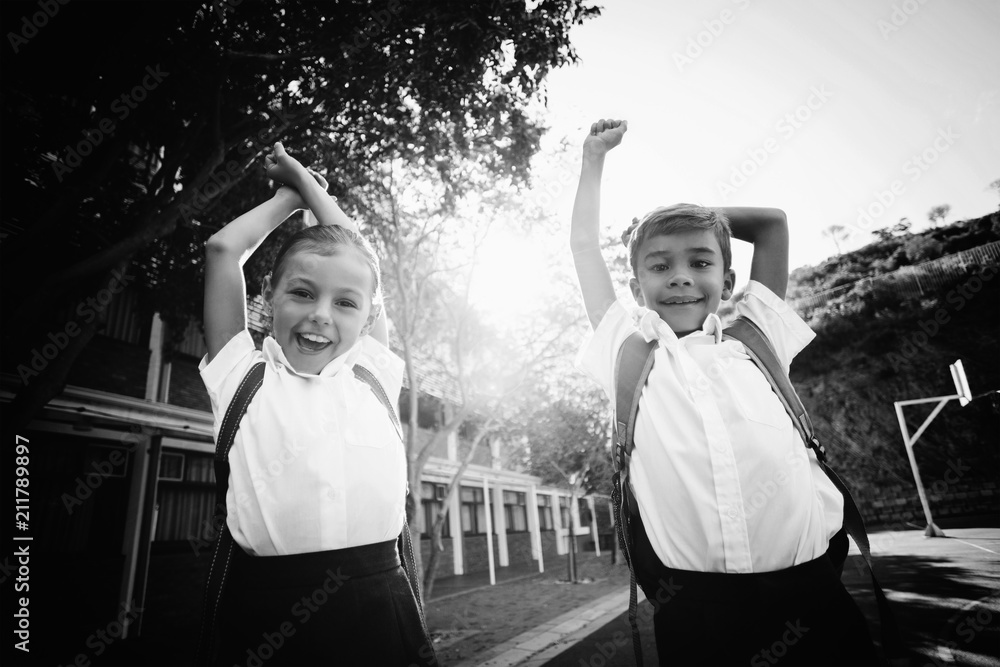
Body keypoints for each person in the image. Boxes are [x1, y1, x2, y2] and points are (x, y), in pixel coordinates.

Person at [571, 119, 879, 666]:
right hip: (696, 611)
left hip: (810, 595)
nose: (681, 276)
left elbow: (772, 224)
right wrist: (594, 158)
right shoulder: (629, 351)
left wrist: (688, 219)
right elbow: (583, 249)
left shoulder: (758, 336)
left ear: (729, 282)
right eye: (659, 265)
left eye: (700, 261)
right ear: (638, 286)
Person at [198, 142, 437, 666]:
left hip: (383, 603)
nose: (322, 315)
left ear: (369, 314)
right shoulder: (241, 376)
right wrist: (291, 195)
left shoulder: (372, 372)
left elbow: (362, 263)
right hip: (269, 613)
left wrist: (309, 186)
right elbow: (221, 249)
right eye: (302, 293)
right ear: (269, 294)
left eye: (345, 303)